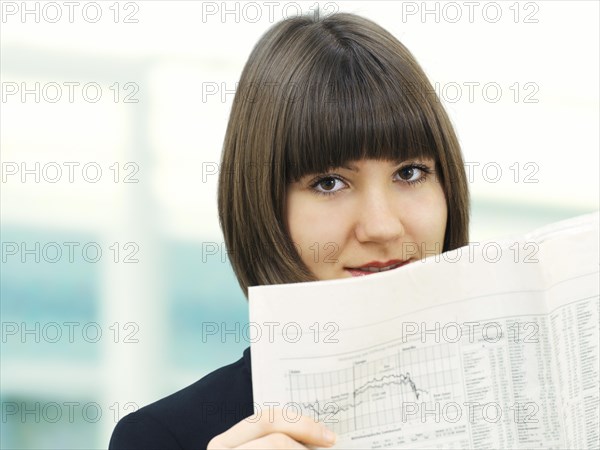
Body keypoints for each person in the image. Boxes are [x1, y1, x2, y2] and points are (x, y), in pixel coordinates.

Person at [109, 11, 469, 449]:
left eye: (410, 172)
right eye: (330, 183)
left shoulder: (522, 389)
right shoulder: (166, 438)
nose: (382, 226)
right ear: (264, 206)